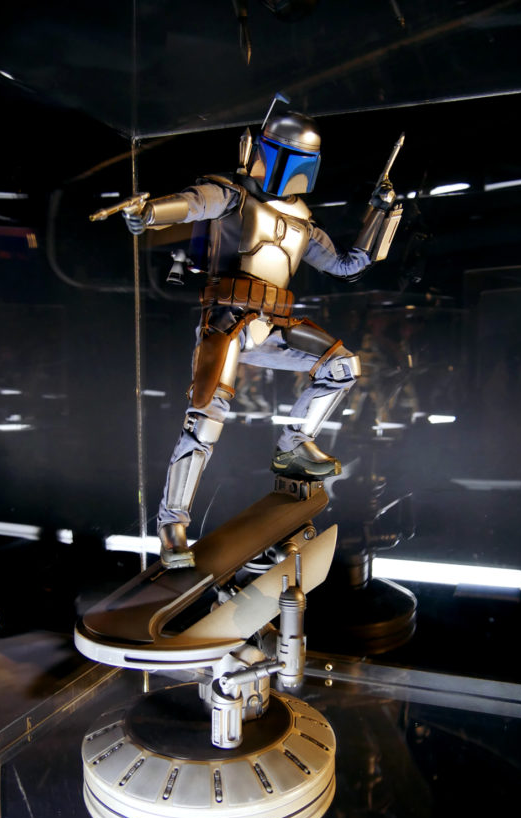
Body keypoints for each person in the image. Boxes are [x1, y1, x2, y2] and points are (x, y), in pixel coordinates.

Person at [124, 103, 401, 568]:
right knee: (205, 420)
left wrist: (382, 214)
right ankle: (172, 524)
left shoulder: (302, 221)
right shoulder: (231, 194)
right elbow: (192, 204)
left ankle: (294, 443)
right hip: (226, 322)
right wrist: (149, 212)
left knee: (341, 365)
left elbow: (348, 265)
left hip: (272, 326)